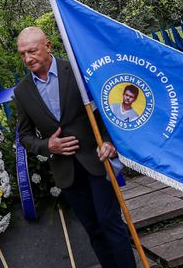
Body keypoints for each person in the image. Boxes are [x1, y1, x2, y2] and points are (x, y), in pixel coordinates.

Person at [13, 27, 136, 268]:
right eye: (22, 54)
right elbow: (25, 136)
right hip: (65, 173)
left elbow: (106, 108)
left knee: (109, 222)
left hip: (96, 161)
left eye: (32, 51)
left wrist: (110, 141)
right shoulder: (23, 91)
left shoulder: (77, 71)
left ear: (47, 46)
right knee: (93, 230)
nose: (28, 59)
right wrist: (47, 145)